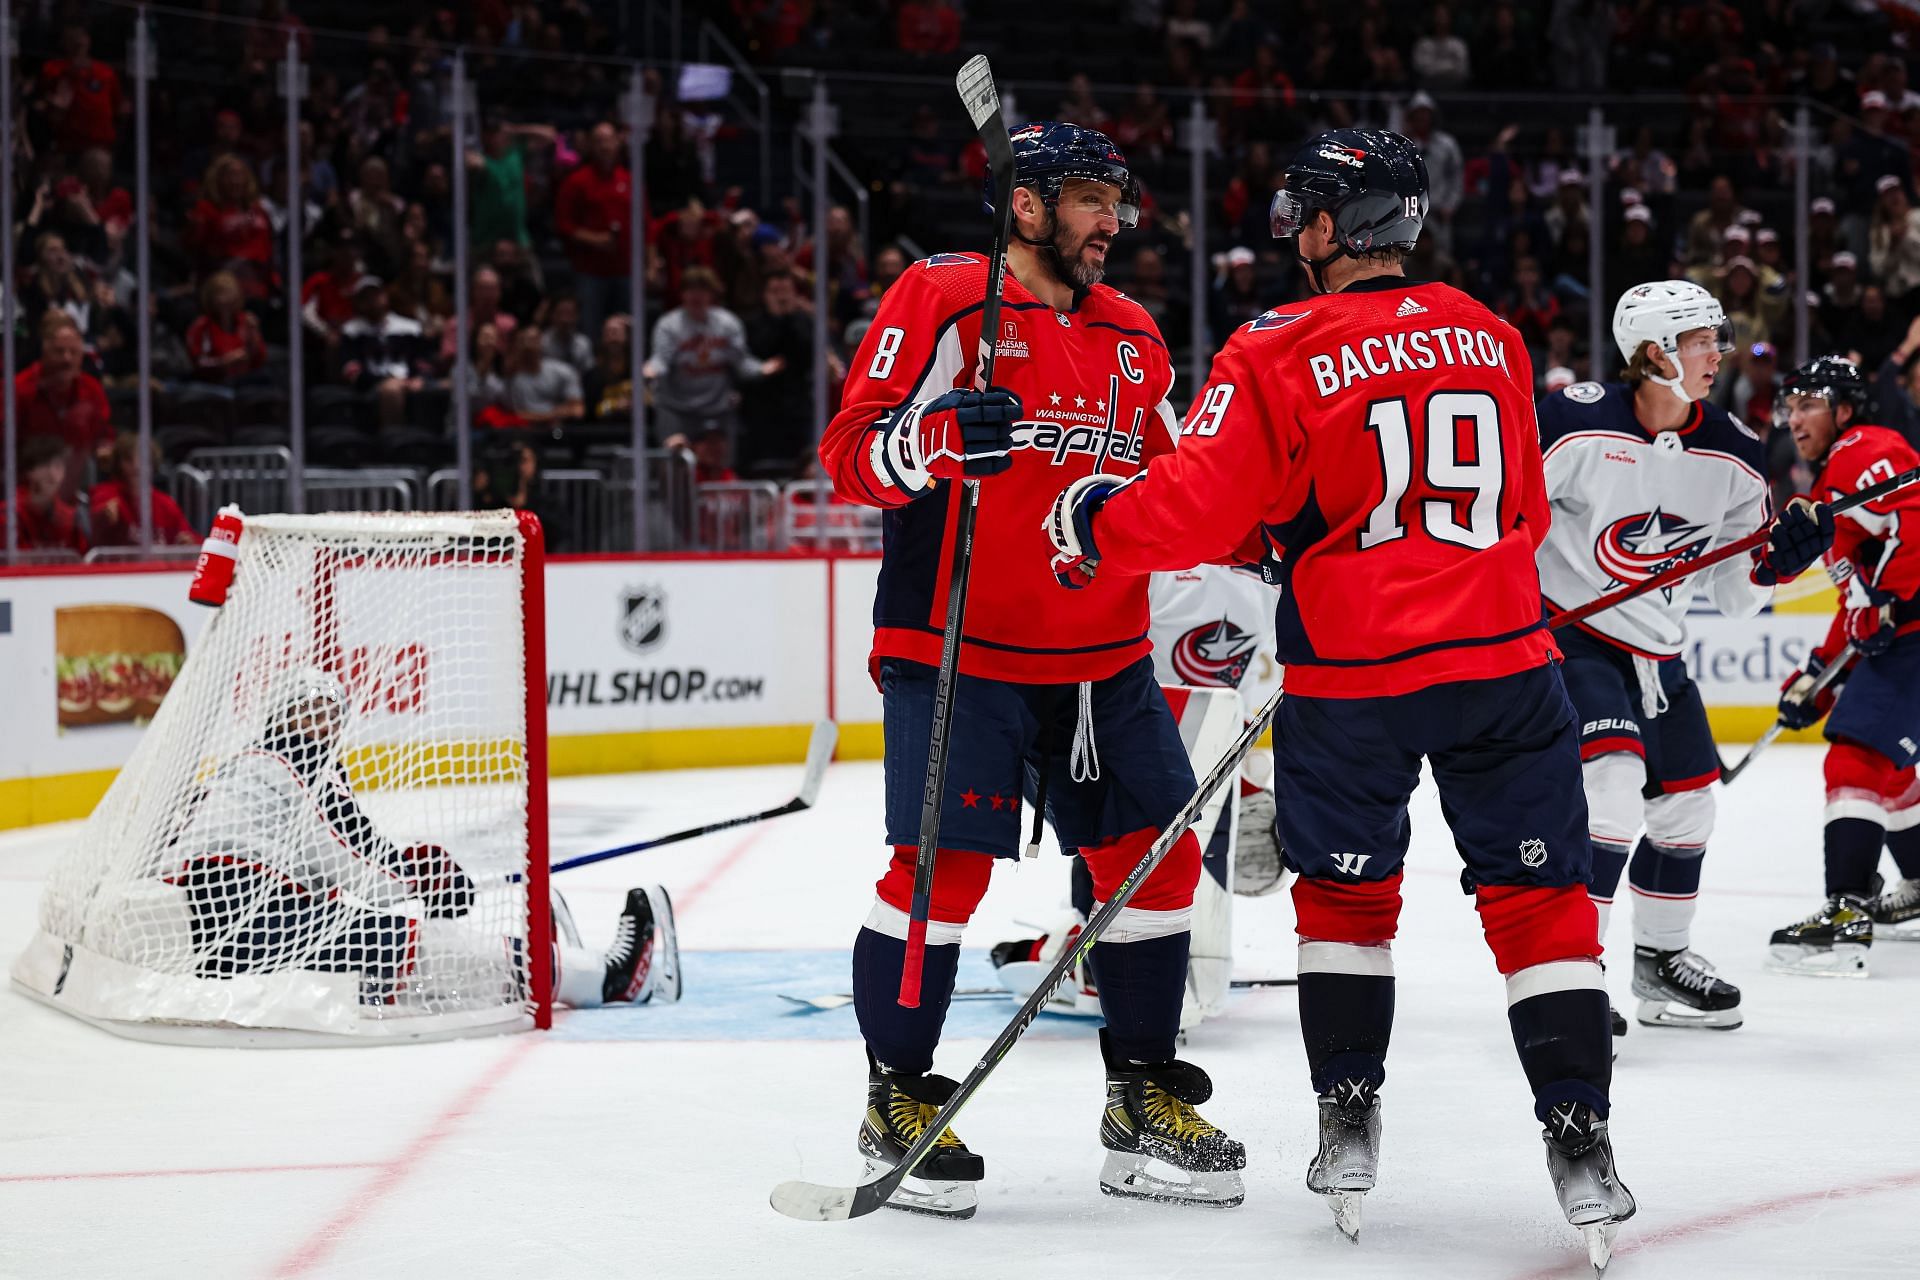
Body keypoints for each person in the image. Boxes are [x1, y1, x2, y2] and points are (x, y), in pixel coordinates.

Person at [1042, 128, 1633, 1259]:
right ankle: (1581, 1133)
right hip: (1506, 662)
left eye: (1300, 214)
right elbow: (1516, 511)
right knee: (1541, 904)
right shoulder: (1497, 335)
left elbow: (1197, 514)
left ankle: (1348, 1116)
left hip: (1355, 677)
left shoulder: (1276, 344)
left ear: (1325, 228)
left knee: (1349, 902)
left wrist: (1092, 519)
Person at [816, 121, 1244, 1219]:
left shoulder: (1133, 333)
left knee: (1157, 864)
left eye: (1118, 201)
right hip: (957, 645)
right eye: (1094, 201)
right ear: (1026, 204)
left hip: (1101, 656)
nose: (1115, 222)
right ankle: (897, 1095)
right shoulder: (943, 296)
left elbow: (1177, 476)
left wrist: (1262, 525)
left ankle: (1141, 1095)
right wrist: (929, 444)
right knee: (938, 875)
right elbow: (850, 453)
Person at [1534, 281, 1832, 1036]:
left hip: (1660, 653)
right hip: (1573, 634)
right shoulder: (1570, 423)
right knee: (1610, 785)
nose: (1718, 354)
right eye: (1702, 340)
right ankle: (1573, 976)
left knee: (1689, 804)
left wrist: (1778, 565)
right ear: (1653, 352)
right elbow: (1510, 527)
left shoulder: (1733, 449)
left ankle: (1660, 963)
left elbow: (1737, 595)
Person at [165, 668, 679, 1011]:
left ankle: (543, 959)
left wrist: (409, 870)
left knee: (413, 954)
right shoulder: (296, 765)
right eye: (308, 712)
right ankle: (605, 979)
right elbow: (345, 861)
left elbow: (348, 849)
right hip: (263, 924)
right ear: (282, 716)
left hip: (221, 934)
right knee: (436, 952)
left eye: (329, 715)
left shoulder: (244, 768)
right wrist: (420, 882)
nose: (320, 725)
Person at [1771, 356, 1920, 975]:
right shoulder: (1835, 479)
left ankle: (1846, 913)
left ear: (1844, 409)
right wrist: (1818, 675)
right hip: (1906, 632)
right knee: (1887, 768)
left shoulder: (1866, 446)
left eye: (1809, 404)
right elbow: (1856, 602)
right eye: (1791, 407)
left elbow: (1917, 525)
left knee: (1854, 755)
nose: (1795, 418)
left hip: (1915, 631)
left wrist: (1896, 600)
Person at [645, 267, 781, 443]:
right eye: (691, 290)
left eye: (702, 291)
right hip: (677, 408)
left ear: (711, 294)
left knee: (721, 462)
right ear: (683, 294)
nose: (696, 296)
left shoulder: (727, 323)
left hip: (718, 408)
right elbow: (661, 359)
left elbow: (741, 362)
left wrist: (762, 369)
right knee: (674, 463)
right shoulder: (668, 325)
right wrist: (651, 370)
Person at [16, 313, 111, 502]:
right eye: (59, 352)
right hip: (26, 500)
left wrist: (106, 451)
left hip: (75, 497)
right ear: (44, 351)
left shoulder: (92, 390)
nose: (67, 359)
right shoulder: (18, 390)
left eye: (74, 352)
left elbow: (104, 437)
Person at [88, 432, 198, 547]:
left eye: (144, 460)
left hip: (157, 565)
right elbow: (95, 530)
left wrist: (188, 541)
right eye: (129, 460)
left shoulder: (166, 504)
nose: (137, 466)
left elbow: (189, 536)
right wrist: (103, 517)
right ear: (119, 464)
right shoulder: (106, 495)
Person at [4, 437, 88, 554]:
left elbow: (82, 562)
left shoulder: (69, 517)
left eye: (58, 466)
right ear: (30, 470)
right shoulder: (8, 515)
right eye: (45, 465)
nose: (53, 475)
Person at [185, 271, 269, 386]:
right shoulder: (201, 326)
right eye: (220, 294)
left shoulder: (246, 322)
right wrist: (225, 362)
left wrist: (254, 334)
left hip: (245, 382)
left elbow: (258, 360)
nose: (225, 299)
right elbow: (199, 363)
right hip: (212, 384)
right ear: (211, 297)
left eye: (229, 293)